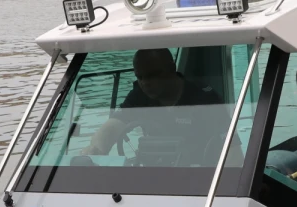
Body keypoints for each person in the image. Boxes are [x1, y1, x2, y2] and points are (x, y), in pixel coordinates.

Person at [81, 48, 235, 164]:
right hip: (153, 174)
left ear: (172, 69)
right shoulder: (140, 95)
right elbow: (114, 125)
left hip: (199, 177)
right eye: (139, 77)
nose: (145, 83)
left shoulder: (204, 99)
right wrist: (96, 149)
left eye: (152, 75)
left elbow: (233, 152)